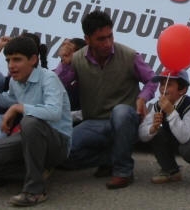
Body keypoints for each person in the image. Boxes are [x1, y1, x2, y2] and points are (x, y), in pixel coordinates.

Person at [0, 36, 72, 207]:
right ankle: (35, 173)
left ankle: (35, 191)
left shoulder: (48, 78)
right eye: (8, 60)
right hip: (29, 138)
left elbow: (53, 112)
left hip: (57, 143)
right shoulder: (15, 82)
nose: (11, 65)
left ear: (33, 59)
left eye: (17, 59)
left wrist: (18, 108)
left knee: (30, 122)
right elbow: (8, 100)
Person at [57, 10, 157, 189]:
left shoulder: (129, 55)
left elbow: (152, 80)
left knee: (121, 112)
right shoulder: (77, 59)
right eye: (101, 39)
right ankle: (111, 157)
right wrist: (64, 63)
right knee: (62, 153)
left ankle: (123, 171)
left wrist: (142, 98)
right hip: (94, 122)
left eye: (110, 36)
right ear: (87, 39)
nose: (108, 43)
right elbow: (58, 86)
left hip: (125, 121)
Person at [139, 69, 190, 188]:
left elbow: (183, 137)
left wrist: (171, 112)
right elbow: (142, 134)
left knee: (187, 148)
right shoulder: (159, 105)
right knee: (157, 134)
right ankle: (170, 171)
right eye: (162, 84)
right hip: (177, 139)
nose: (163, 89)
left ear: (182, 90)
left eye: (169, 85)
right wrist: (152, 128)